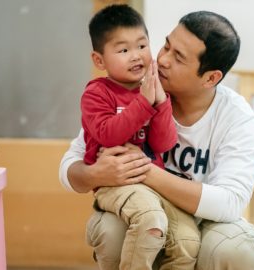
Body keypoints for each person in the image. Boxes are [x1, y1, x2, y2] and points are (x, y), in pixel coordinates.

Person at [60, 9, 254, 270]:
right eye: (166, 46)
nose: (163, 60)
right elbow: (70, 165)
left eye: (178, 58)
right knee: (113, 229)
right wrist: (95, 174)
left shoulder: (236, 116)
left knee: (237, 249)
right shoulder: (131, 90)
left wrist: (144, 171)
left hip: (206, 222)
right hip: (144, 210)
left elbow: (230, 203)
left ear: (211, 77)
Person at [78, 4, 201, 270]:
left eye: (142, 46)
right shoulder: (96, 94)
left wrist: (160, 102)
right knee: (151, 223)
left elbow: (163, 144)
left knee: (188, 240)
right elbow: (108, 136)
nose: (136, 56)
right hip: (115, 185)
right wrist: (144, 103)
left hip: (154, 186)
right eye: (123, 50)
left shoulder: (153, 89)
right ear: (99, 60)